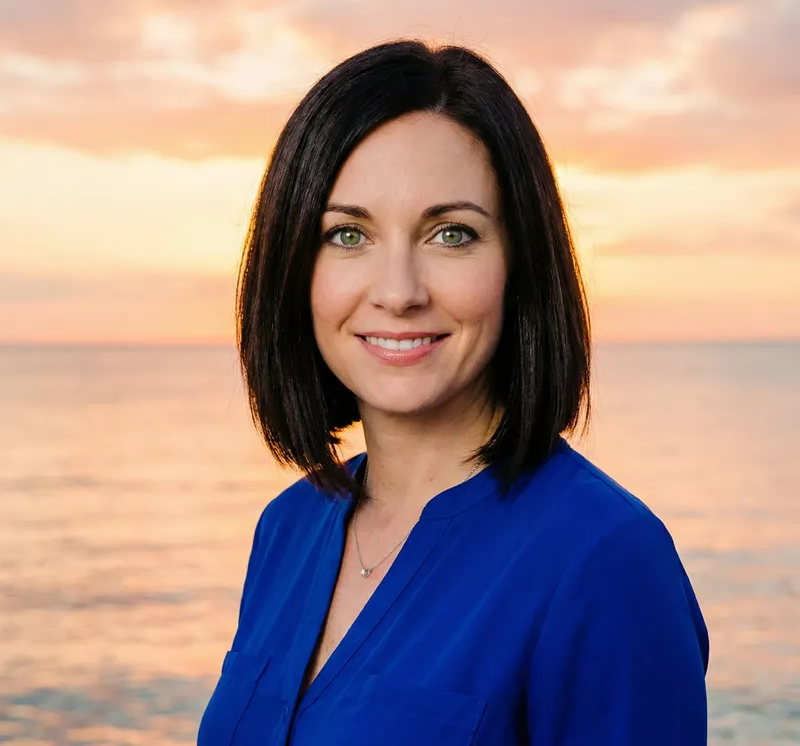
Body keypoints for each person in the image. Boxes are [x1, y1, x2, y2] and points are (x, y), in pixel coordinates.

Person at [197, 40, 709, 746]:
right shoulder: (287, 528)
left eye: (451, 234)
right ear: (293, 266)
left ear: (518, 262)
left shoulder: (607, 560)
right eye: (347, 234)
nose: (399, 292)